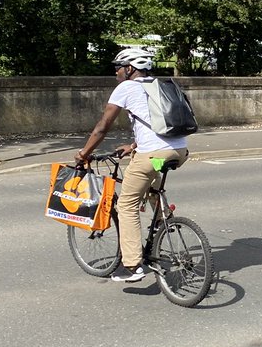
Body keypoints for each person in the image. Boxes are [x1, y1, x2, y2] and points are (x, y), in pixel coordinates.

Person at [75, 49, 189, 282]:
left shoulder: (126, 88)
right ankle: (162, 219)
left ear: (130, 68)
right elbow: (160, 123)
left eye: (118, 66)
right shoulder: (159, 84)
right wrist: (134, 145)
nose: (116, 71)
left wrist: (84, 154)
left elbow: (102, 126)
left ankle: (132, 266)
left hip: (153, 153)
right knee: (148, 175)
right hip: (179, 150)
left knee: (127, 205)